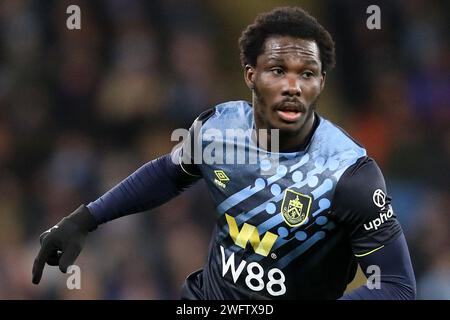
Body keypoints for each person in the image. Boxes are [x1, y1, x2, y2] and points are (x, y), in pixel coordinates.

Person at [32, 7, 416, 300]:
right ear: (251, 75)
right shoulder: (218, 128)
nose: (293, 86)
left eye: (307, 73)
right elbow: (168, 174)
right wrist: (86, 217)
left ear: (322, 82)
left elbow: (397, 286)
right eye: (277, 70)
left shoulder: (349, 174)